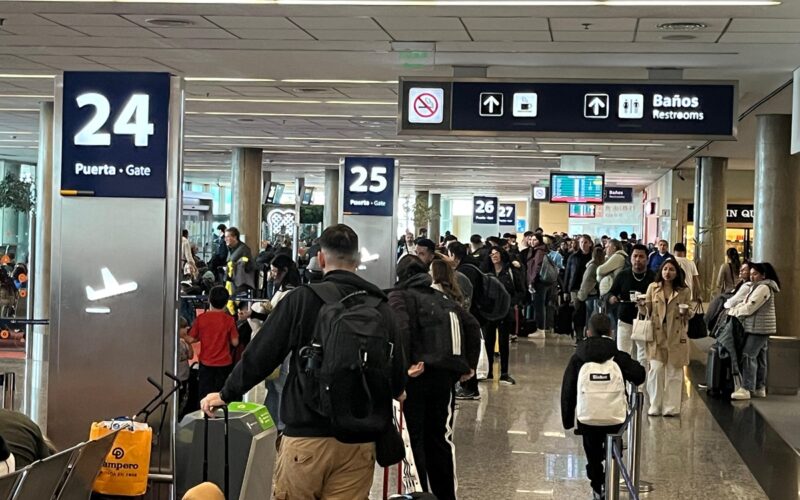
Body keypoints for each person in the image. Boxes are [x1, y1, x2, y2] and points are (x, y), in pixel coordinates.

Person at [200, 224, 406, 499]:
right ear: (357, 260)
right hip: (359, 441)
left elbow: (263, 353)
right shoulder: (381, 306)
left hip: (306, 437)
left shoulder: (302, 299)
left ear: (320, 258)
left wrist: (227, 393)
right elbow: (397, 378)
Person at [388, 256, 480, 500]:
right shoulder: (443, 298)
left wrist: (403, 368)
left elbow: (401, 329)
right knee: (439, 438)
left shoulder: (400, 296)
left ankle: (419, 495)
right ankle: (445, 495)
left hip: (416, 376)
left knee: (413, 439)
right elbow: (471, 325)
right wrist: (467, 366)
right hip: (444, 378)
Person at [560, 314, 645, 500]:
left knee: (593, 455)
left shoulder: (578, 358)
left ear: (587, 332)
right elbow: (640, 375)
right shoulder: (618, 357)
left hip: (587, 419)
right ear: (611, 333)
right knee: (613, 448)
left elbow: (567, 390)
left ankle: (598, 487)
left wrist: (568, 421)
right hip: (615, 418)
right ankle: (612, 478)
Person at [638, 258, 694, 416]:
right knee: (655, 370)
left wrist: (686, 312)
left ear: (677, 273)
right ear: (660, 271)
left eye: (671, 270)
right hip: (657, 334)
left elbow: (690, 311)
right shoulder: (653, 288)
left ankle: (671, 407)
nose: (667, 272)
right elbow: (646, 312)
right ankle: (655, 404)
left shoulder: (684, 291)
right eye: (665, 269)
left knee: (674, 372)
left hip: (676, 335)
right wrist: (641, 305)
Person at [260, 254, 302, 430]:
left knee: (280, 384)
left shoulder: (290, 292)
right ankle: (273, 420)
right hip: (279, 344)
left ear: (284, 271)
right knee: (273, 385)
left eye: (275, 271)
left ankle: (281, 423)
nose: (272, 274)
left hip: (284, 347)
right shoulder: (283, 289)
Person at [727, 262, 780, 400]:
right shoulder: (759, 287)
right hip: (760, 327)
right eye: (750, 274)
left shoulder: (763, 288)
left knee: (748, 355)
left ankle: (747, 388)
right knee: (760, 357)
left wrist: (733, 311)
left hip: (759, 328)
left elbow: (750, 307)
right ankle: (759, 387)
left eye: (755, 274)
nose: (752, 277)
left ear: (763, 275)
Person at [607, 245, 655, 368]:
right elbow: (611, 292)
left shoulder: (653, 277)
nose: (638, 259)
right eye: (635, 256)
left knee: (643, 356)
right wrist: (612, 298)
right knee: (623, 353)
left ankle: (641, 386)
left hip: (644, 321)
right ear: (630, 259)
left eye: (641, 256)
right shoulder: (623, 275)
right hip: (625, 319)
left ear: (647, 259)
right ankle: (624, 384)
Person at [187, 286, 239, 399]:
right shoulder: (229, 320)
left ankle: (205, 414)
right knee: (221, 395)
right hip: (225, 363)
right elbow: (235, 342)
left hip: (206, 363)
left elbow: (191, 339)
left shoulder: (201, 318)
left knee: (204, 394)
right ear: (226, 302)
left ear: (209, 300)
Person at [449, 242, 486, 400]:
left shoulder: (463, 272)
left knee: (467, 352)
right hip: (477, 313)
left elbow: (464, 298)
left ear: (454, 256)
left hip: (470, 316)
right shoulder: (472, 265)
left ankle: (469, 388)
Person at [484, 247, 524, 385]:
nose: (494, 256)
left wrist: (511, 303)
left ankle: (504, 373)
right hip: (489, 312)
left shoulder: (511, 271)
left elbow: (520, 290)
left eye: (496, 253)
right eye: (492, 253)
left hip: (505, 312)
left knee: (503, 342)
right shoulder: (486, 272)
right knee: (488, 341)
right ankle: (488, 371)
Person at [564, 235, 593, 337]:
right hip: (575, 288)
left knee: (589, 313)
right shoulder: (573, 257)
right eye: (581, 242)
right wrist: (566, 291)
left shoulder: (594, 257)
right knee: (578, 313)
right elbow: (568, 274)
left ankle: (588, 334)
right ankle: (579, 335)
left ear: (590, 243)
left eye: (585, 242)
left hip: (590, 289)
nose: (583, 244)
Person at [526, 233, 552, 339]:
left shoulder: (539, 251)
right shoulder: (540, 250)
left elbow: (537, 266)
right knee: (540, 306)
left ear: (540, 241)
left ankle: (540, 329)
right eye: (531, 239)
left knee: (539, 306)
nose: (532, 241)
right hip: (541, 281)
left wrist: (531, 281)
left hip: (539, 282)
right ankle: (541, 329)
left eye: (535, 240)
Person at [578, 247, 605, 334]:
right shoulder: (594, 266)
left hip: (592, 295)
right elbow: (586, 281)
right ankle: (589, 334)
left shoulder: (594, 265)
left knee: (591, 317)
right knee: (591, 318)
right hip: (591, 295)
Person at [177, 317, 194, 417]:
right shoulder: (174, 343)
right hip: (177, 376)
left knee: (183, 398)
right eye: (183, 328)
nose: (186, 330)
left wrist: (188, 342)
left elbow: (191, 355)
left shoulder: (183, 342)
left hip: (184, 376)